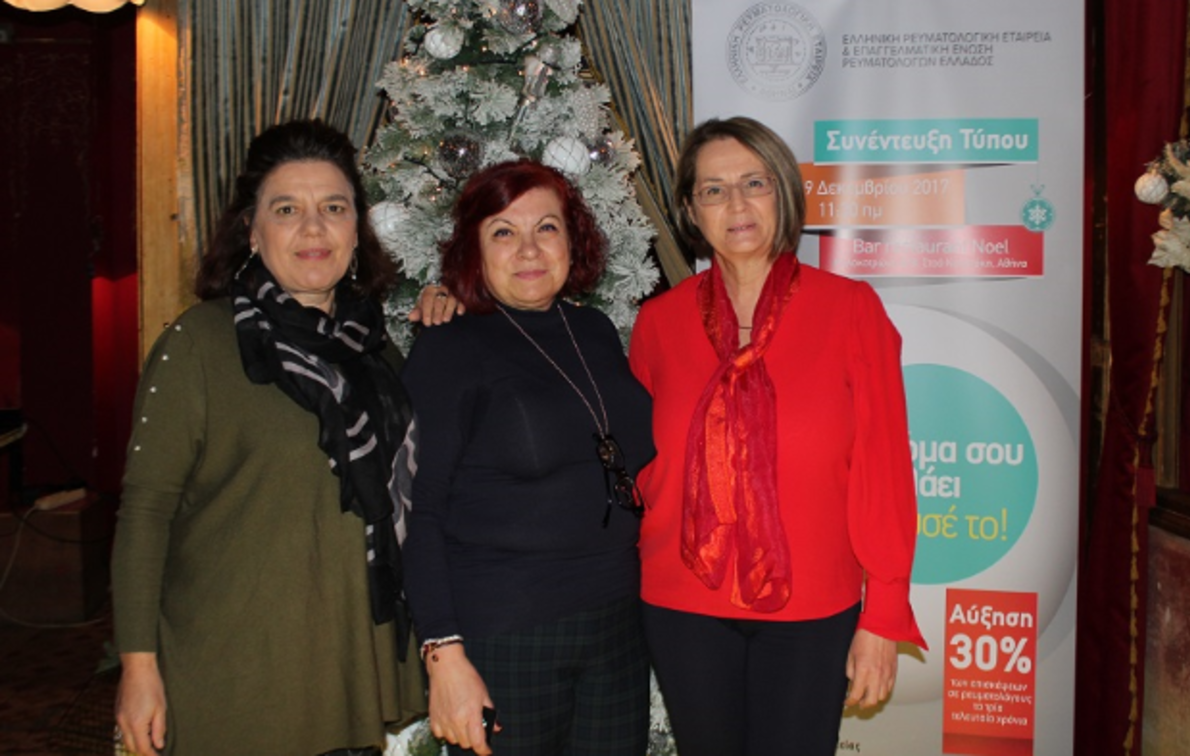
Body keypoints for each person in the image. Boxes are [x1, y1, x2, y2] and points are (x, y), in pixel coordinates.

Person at [112, 119, 429, 756]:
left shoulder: (378, 355)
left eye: (333, 208)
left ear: (356, 230)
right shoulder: (198, 345)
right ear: (252, 233)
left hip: (351, 668)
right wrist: (137, 667)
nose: (313, 228)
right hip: (235, 676)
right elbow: (145, 512)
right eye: (286, 210)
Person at [628, 116, 927, 755]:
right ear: (691, 211)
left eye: (754, 182)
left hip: (813, 608)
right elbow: (637, 461)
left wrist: (883, 614)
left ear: (783, 192)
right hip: (682, 604)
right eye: (713, 190)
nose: (736, 204)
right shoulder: (657, 323)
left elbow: (883, 471)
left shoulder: (850, 310)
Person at [401, 159, 655, 756]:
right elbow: (420, 512)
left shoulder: (594, 331)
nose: (529, 250)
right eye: (503, 232)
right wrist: (443, 653)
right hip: (506, 635)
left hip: (618, 627)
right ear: (475, 249)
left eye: (546, 227)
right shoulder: (449, 347)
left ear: (573, 238)